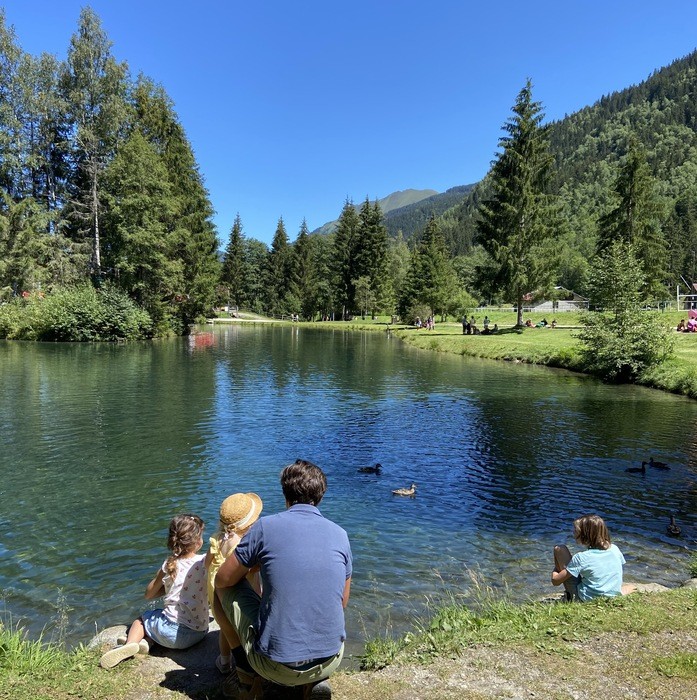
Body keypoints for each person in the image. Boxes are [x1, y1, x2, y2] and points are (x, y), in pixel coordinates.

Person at [215, 459, 352, 700]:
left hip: (275, 667)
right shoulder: (341, 535)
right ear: (321, 496)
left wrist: (252, 570)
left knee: (221, 590)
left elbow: (223, 580)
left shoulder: (265, 527)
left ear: (285, 494)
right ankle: (316, 680)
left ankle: (245, 676)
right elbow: (342, 601)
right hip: (331, 658)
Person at [100, 514, 210, 669]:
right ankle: (147, 643)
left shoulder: (169, 565)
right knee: (158, 620)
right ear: (198, 541)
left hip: (171, 633)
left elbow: (149, 594)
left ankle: (130, 644)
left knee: (143, 619)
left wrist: (167, 588)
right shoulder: (205, 562)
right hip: (198, 633)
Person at [208, 493, 263, 675]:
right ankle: (249, 664)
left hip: (216, 592)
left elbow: (206, 564)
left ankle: (224, 662)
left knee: (225, 629)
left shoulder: (217, 538)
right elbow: (250, 571)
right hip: (240, 593)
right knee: (243, 628)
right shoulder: (244, 546)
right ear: (250, 524)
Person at [551, 514, 626, 602]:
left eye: (576, 531)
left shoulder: (581, 557)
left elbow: (555, 581)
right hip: (611, 595)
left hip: (585, 599)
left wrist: (556, 569)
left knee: (559, 549)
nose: (573, 533)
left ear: (585, 534)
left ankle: (570, 597)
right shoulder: (614, 548)